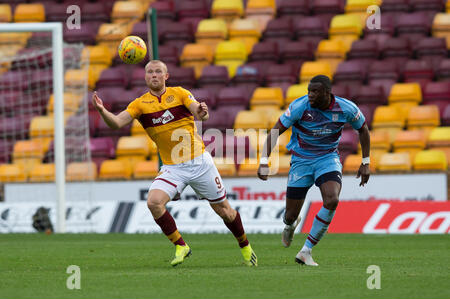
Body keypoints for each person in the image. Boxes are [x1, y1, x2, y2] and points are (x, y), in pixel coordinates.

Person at [92, 60, 257, 267]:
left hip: (199, 163)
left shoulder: (179, 93)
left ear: (166, 76)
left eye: (158, 72)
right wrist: (102, 110)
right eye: (150, 72)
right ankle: (181, 245)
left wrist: (202, 110)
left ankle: (245, 246)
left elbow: (198, 111)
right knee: (154, 202)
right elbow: (116, 123)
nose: (154, 75)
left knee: (225, 211)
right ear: (145, 77)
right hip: (173, 167)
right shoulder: (140, 104)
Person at [257, 75, 370, 266]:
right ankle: (290, 224)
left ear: (327, 93)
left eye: (315, 91)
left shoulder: (346, 108)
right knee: (290, 215)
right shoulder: (299, 107)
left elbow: (363, 129)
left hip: (328, 158)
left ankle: (306, 251)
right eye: (309, 91)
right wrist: (263, 161)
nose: (310, 95)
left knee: (332, 199)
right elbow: (275, 131)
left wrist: (365, 161)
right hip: (301, 160)